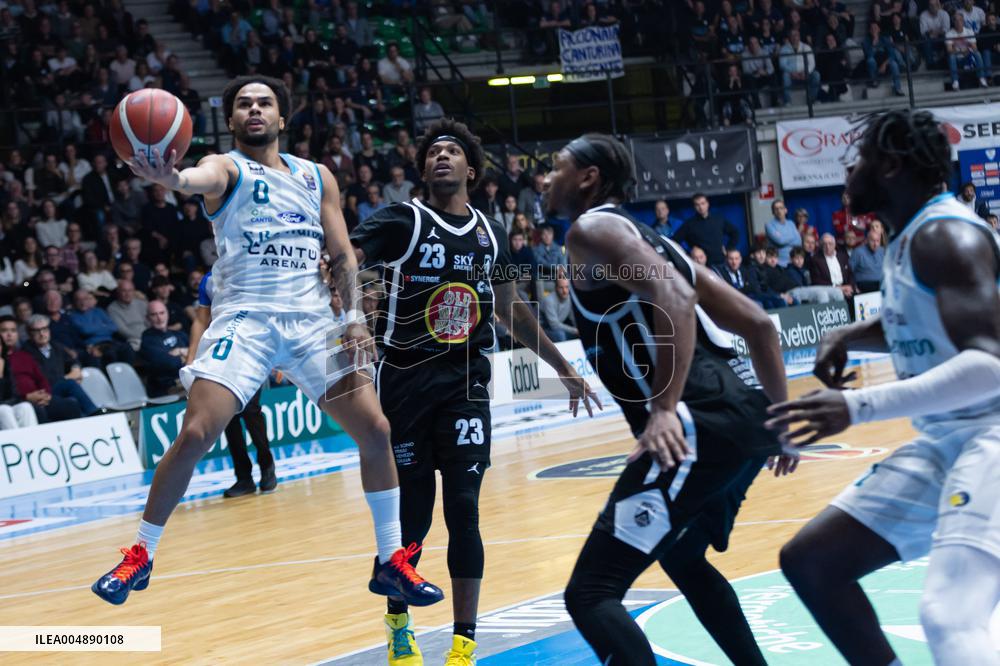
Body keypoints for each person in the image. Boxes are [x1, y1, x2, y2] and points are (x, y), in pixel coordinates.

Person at [91, 75, 444, 612]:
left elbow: (344, 254)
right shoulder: (226, 167)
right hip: (246, 321)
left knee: (376, 430)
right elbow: (194, 176)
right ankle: (140, 554)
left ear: (282, 118)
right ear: (231, 121)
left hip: (311, 322)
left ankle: (390, 560)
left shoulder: (316, 176)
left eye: (264, 103)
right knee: (195, 433)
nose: (253, 109)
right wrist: (171, 176)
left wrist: (352, 318)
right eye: (242, 104)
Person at [349, 118, 599, 666]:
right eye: (432, 152)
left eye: (452, 151)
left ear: (471, 168)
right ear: (422, 170)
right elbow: (346, 257)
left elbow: (511, 307)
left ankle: (464, 645)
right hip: (405, 382)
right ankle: (398, 627)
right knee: (412, 515)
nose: (441, 157)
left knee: (464, 509)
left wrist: (563, 367)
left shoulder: (489, 232)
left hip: (466, 384)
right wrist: (351, 313)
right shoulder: (403, 221)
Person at [544, 133, 790, 666]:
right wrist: (783, 421)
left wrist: (663, 409)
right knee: (681, 558)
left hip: (699, 421)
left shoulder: (593, 229)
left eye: (556, 166)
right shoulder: (660, 241)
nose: (545, 178)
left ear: (588, 178)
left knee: (590, 593)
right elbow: (760, 326)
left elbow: (673, 297)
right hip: (743, 420)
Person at [768, 109, 1000, 666]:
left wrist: (858, 405)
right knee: (814, 562)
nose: (850, 171)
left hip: (993, 435)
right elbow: (923, 319)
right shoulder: (909, 237)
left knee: (951, 617)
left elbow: (990, 364)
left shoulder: (946, 236)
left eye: (861, 159)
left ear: (891, 166)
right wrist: (849, 333)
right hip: (949, 439)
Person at [186, 270, 275, 498]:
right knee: (227, 417)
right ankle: (243, 478)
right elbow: (201, 319)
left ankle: (267, 466)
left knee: (252, 411)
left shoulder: (253, 272)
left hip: (252, 352)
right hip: (222, 356)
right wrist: (191, 356)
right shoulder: (208, 280)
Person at [23, 314, 99, 416]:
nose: (42, 334)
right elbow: (43, 378)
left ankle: (92, 420)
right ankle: (95, 413)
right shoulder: (26, 353)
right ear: (29, 333)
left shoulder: (56, 346)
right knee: (70, 384)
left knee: (73, 399)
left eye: (45, 329)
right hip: (44, 393)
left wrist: (75, 368)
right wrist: (66, 377)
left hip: (60, 389)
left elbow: (73, 361)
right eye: (37, 331)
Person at [673, 193, 739, 266]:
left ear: (707, 204)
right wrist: (688, 254)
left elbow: (735, 232)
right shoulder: (689, 224)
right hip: (702, 265)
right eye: (697, 205)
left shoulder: (718, 219)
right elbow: (674, 241)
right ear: (694, 207)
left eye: (703, 203)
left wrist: (728, 248)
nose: (701, 207)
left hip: (721, 262)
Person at [139, 300, 188, 397]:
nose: (159, 318)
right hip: (167, 389)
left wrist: (179, 351)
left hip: (187, 381)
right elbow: (170, 363)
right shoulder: (147, 339)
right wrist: (186, 354)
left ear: (167, 314)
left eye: (162, 313)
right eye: (154, 314)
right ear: (148, 318)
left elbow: (198, 353)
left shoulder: (178, 334)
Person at [810, 233, 857, 300]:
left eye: (830, 244)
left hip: (847, 288)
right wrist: (839, 288)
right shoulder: (816, 260)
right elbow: (817, 281)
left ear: (834, 245)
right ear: (821, 246)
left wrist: (851, 287)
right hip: (829, 290)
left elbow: (850, 274)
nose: (827, 247)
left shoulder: (843, 256)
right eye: (824, 244)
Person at [850, 226, 886, 293]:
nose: (875, 244)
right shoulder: (858, 252)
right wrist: (853, 286)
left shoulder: (882, 251)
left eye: (877, 241)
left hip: (881, 284)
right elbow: (849, 272)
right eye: (873, 241)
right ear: (867, 240)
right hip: (864, 285)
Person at [540, 277, 577, 342]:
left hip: (557, 327)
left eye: (567, 287)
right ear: (556, 288)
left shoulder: (570, 298)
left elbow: (573, 318)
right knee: (560, 335)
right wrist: (574, 331)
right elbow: (554, 325)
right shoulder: (549, 300)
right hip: (543, 329)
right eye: (561, 287)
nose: (565, 291)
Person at [765, 200, 800, 266]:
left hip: (793, 262)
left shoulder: (791, 223)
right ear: (773, 212)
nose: (779, 211)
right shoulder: (769, 225)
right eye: (776, 209)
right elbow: (780, 241)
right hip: (778, 264)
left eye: (781, 208)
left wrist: (783, 238)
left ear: (785, 210)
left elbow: (799, 241)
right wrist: (793, 236)